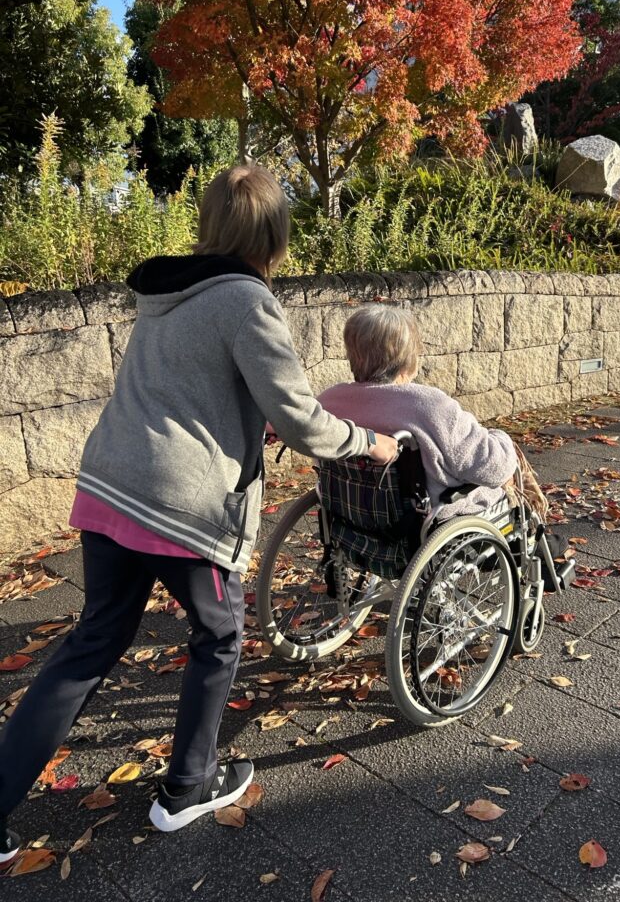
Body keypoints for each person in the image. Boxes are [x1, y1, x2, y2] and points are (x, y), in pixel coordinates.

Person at [0, 165, 398, 862]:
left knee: (91, 644)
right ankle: (186, 789)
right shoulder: (247, 300)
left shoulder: (168, 293)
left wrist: (251, 422)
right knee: (219, 635)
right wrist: (373, 444)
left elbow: (190, 391)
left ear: (211, 223)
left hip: (111, 484)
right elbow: (305, 422)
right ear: (274, 231)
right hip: (180, 506)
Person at [318, 303, 550, 522]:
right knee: (509, 468)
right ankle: (538, 539)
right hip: (433, 522)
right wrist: (502, 439)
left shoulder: (328, 402)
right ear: (408, 358)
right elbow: (494, 469)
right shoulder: (428, 405)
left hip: (353, 519)